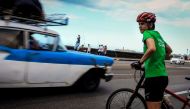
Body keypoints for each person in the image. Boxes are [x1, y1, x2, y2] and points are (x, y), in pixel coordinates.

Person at [131, 12, 172, 109]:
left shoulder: (147, 33)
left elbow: (152, 48)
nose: (140, 26)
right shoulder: (158, 35)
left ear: (150, 24)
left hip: (154, 77)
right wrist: (157, 58)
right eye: (139, 24)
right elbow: (169, 51)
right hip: (163, 76)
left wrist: (140, 62)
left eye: (142, 23)